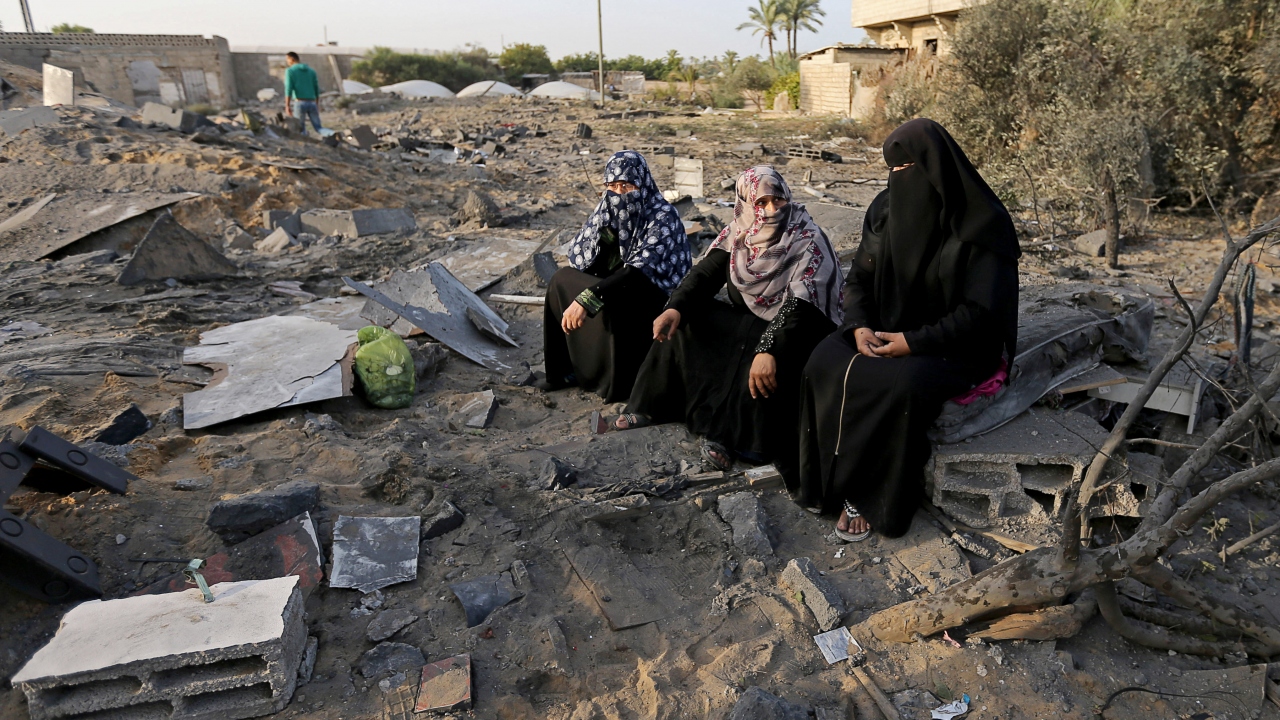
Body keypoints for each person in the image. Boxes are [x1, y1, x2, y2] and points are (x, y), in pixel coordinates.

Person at [794, 118, 1021, 541]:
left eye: (908, 168)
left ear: (936, 167)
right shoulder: (885, 210)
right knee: (823, 362)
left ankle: (871, 497)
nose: (900, 178)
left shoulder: (982, 223)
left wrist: (913, 342)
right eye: (893, 170)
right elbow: (860, 278)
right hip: (885, 327)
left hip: (958, 343)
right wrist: (859, 326)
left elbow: (981, 313)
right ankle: (822, 481)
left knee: (899, 385)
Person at [605, 166, 843, 481]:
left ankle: (732, 439)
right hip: (752, 318)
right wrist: (675, 308)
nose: (772, 209)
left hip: (797, 329)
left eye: (778, 199)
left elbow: (802, 306)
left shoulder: (807, 238)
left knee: (753, 348)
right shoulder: (739, 233)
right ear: (746, 205)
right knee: (689, 321)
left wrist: (770, 349)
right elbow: (706, 274)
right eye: (761, 203)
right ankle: (652, 406)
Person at [542, 151, 691, 401]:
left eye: (626, 186)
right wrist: (607, 237)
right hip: (619, 284)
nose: (619, 193)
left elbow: (637, 271)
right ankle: (564, 373)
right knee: (562, 280)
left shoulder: (662, 215)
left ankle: (615, 382)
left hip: (655, 297)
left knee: (610, 296)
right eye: (612, 186)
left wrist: (587, 300)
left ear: (642, 184)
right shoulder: (607, 209)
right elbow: (584, 256)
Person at [284, 52, 322, 135]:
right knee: (319, 128)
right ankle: (332, 135)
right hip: (312, 102)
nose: (287, 62)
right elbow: (316, 89)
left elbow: (288, 88)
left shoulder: (290, 71)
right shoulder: (311, 71)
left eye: (287, 59)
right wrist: (316, 103)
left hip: (300, 102)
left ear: (292, 59)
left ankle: (305, 143)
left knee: (300, 129)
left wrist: (287, 105)